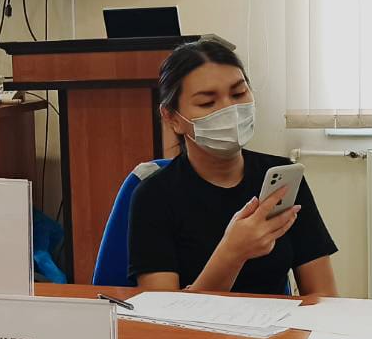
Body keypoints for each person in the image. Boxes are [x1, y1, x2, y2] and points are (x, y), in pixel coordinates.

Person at [128, 40, 338, 295]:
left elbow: (324, 296)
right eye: (207, 103)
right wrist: (232, 253)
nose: (230, 109)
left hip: (278, 320)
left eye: (239, 94)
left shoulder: (283, 179)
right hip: (197, 323)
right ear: (172, 118)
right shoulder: (154, 196)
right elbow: (161, 312)